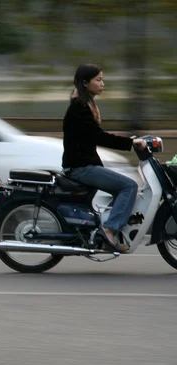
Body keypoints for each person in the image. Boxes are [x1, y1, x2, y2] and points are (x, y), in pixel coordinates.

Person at [62, 63, 146, 252]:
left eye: (102, 79)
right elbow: (98, 136)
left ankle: (107, 229)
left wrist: (129, 142)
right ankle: (108, 230)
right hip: (80, 167)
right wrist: (130, 143)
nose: (103, 84)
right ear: (85, 83)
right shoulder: (80, 108)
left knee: (122, 190)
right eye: (98, 80)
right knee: (129, 186)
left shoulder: (85, 104)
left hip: (83, 164)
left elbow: (93, 137)